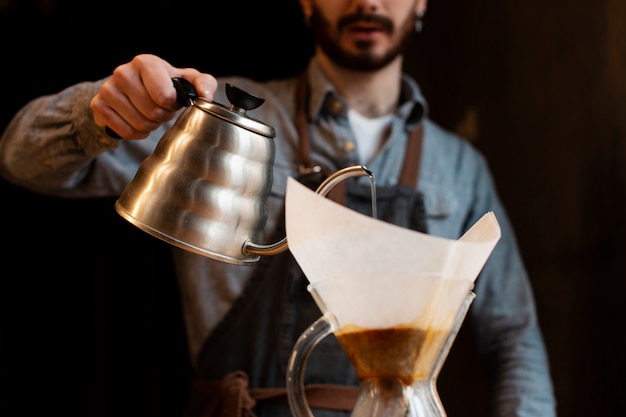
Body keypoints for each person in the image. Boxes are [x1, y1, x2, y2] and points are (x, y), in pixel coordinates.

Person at [0, 0, 557, 416]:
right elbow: (21, 160)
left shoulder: (460, 167)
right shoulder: (217, 114)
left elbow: (513, 336)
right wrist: (100, 110)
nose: (368, 2)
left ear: (421, 4)